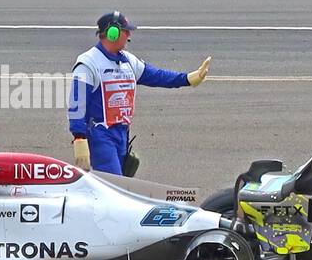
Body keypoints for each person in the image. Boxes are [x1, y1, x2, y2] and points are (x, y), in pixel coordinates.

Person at [67, 11, 211, 176]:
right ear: (112, 33)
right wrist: (79, 138)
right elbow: (77, 104)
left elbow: (157, 76)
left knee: (119, 184)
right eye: (125, 30)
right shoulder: (88, 63)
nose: (129, 35)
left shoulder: (128, 61)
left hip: (122, 134)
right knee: (114, 185)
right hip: (101, 135)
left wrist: (187, 79)